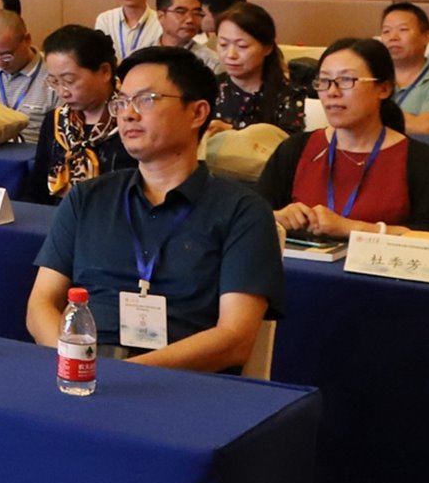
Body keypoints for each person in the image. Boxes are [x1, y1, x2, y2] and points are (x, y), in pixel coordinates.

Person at [26, 46, 281, 371]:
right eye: (121, 102)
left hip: (181, 381)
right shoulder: (87, 197)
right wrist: (76, 363)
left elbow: (235, 339)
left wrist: (126, 375)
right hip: (83, 372)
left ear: (197, 113)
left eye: (146, 100)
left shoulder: (243, 211)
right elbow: (41, 305)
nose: (128, 114)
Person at [261, 37, 429, 235]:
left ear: (384, 88)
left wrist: (352, 228)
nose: (332, 92)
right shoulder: (295, 149)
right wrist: (277, 218)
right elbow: (254, 217)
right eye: (324, 81)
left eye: (346, 80)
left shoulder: (421, 160)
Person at [32, 25, 126, 203]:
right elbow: (37, 190)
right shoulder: (56, 121)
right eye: (54, 81)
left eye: (69, 81)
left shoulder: (130, 121)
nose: (62, 92)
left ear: (105, 71)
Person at [212, 2, 304, 132]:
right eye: (223, 44)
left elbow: (288, 142)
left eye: (242, 46)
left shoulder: (289, 95)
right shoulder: (207, 89)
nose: (231, 55)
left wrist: (231, 131)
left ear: (267, 48)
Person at [377, 2, 429, 135]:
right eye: (386, 31)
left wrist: (369, 112)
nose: (393, 37)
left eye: (403, 29)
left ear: (426, 37)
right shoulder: (370, 77)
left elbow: (426, 128)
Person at [155, 0, 219, 72]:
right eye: (180, 12)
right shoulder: (142, 54)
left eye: (196, 13)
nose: (190, 20)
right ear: (161, 16)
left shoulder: (210, 62)